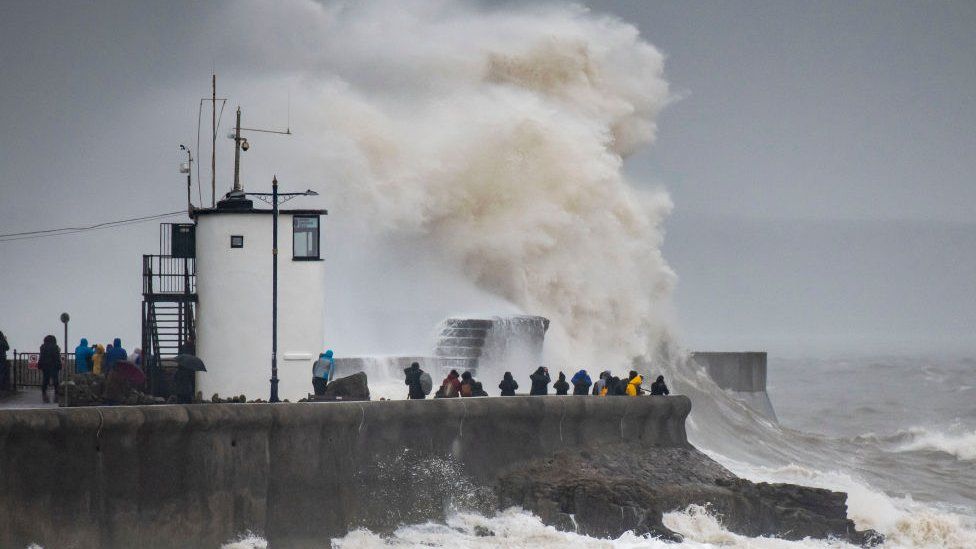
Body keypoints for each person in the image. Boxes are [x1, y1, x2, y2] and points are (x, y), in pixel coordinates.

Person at [38, 335, 62, 402]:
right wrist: (59, 365)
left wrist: (40, 364)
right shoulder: (55, 347)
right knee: (55, 380)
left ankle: (44, 393)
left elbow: (41, 357)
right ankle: (56, 395)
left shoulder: (43, 347)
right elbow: (57, 357)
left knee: (45, 379)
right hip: (53, 366)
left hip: (45, 366)